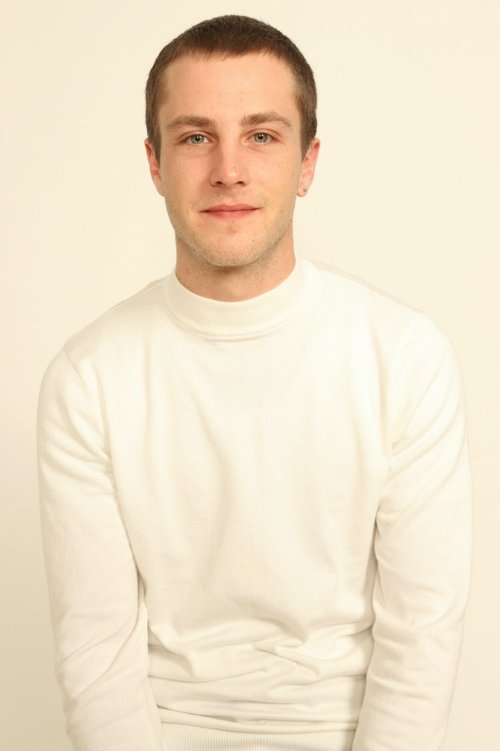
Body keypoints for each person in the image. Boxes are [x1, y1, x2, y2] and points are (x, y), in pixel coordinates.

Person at [36, 14, 473, 751]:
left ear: (307, 163)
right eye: (195, 137)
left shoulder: (405, 357)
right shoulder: (89, 378)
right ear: (154, 163)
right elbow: (96, 655)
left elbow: (422, 635)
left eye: (263, 135)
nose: (229, 169)